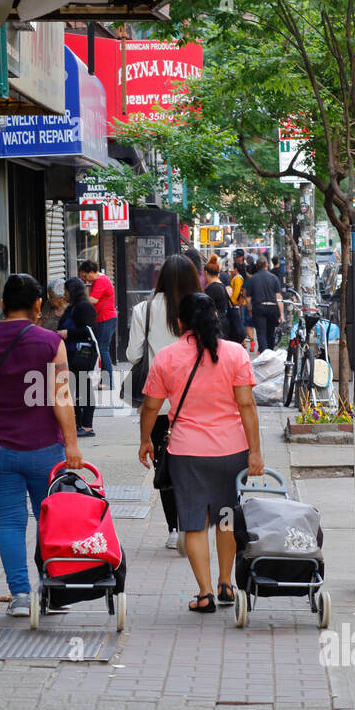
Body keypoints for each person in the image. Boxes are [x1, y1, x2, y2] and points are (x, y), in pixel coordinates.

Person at [0, 274, 82, 618]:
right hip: (44, 449)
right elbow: (61, 395)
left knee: (11, 522)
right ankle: (52, 591)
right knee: (50, 521)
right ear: (38, 305)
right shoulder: (49, 342)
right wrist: (72, 444)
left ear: (2, 305)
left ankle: (19, 596)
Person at [139, 292, 263, 612]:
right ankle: (226, 585)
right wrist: (256, 453)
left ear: (180, 323)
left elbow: (151, 407)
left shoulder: (167, 357)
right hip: (232, 449)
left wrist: (145, 441)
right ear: (216, 318)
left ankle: (205, 593)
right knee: (225, 518)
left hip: (187, 452)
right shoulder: (235, 353)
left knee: (194, 523)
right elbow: (247, 405)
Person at [126, 254, 202, 550]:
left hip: (159, 403)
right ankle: (193, 523)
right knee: (195, 465)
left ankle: (174, 529)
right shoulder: (200, 308)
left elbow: (133, 355)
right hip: (198, 400)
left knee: (165, 466)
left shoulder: (143, 310)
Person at [57, 277, 100, 437]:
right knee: (73, 391)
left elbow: (90, 331)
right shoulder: (72, 307)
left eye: (66, 291)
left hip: (81, 356)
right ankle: (78, 423)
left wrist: (68, 333)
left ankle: (87, 426)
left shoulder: (84, 307)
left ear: (72, 291)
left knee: (85, 390)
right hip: (70, 356)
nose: (64, 294)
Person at [78, 260, 117, 389]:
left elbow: (93, 300)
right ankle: (105, 381)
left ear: (91, 272)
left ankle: (107, 382)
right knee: (101, 349)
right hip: (103, 319)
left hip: (107, 319)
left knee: (103, 349)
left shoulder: (101, 281)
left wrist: (79, 299)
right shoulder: (97, 281)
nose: (84, 279)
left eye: (84, 276)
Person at [245, 254, 285, 352]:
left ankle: (264, 354)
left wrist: (250, 309)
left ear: (257, 266)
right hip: (272, 308)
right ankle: (270, 353)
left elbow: (248, 298)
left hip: (258, 308)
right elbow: (279, 297)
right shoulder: (274, 278)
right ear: (267, 265)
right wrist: (282, 314)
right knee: (270, 333)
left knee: (261, 333)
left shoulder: (252, 280)